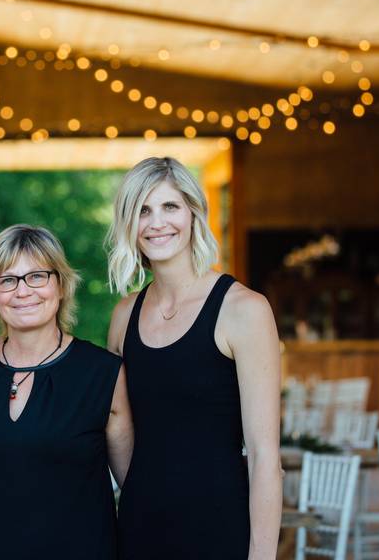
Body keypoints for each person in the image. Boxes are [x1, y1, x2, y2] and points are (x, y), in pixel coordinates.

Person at [108, 157, 281, 560]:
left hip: (219, 527)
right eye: (143, 210)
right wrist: (3, 355)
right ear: (129, 225)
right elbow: (111, 421)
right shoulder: (123, 316)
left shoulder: (244, 309)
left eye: (170, 207)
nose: (157, 223)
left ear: (193, 213)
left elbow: (264, 457)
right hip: (139, 527)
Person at [0, 224, 133, 560]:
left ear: (61, 285)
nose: (22, 291)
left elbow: (135, 488)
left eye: (37, 276)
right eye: (7, 280)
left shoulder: (104, 374)